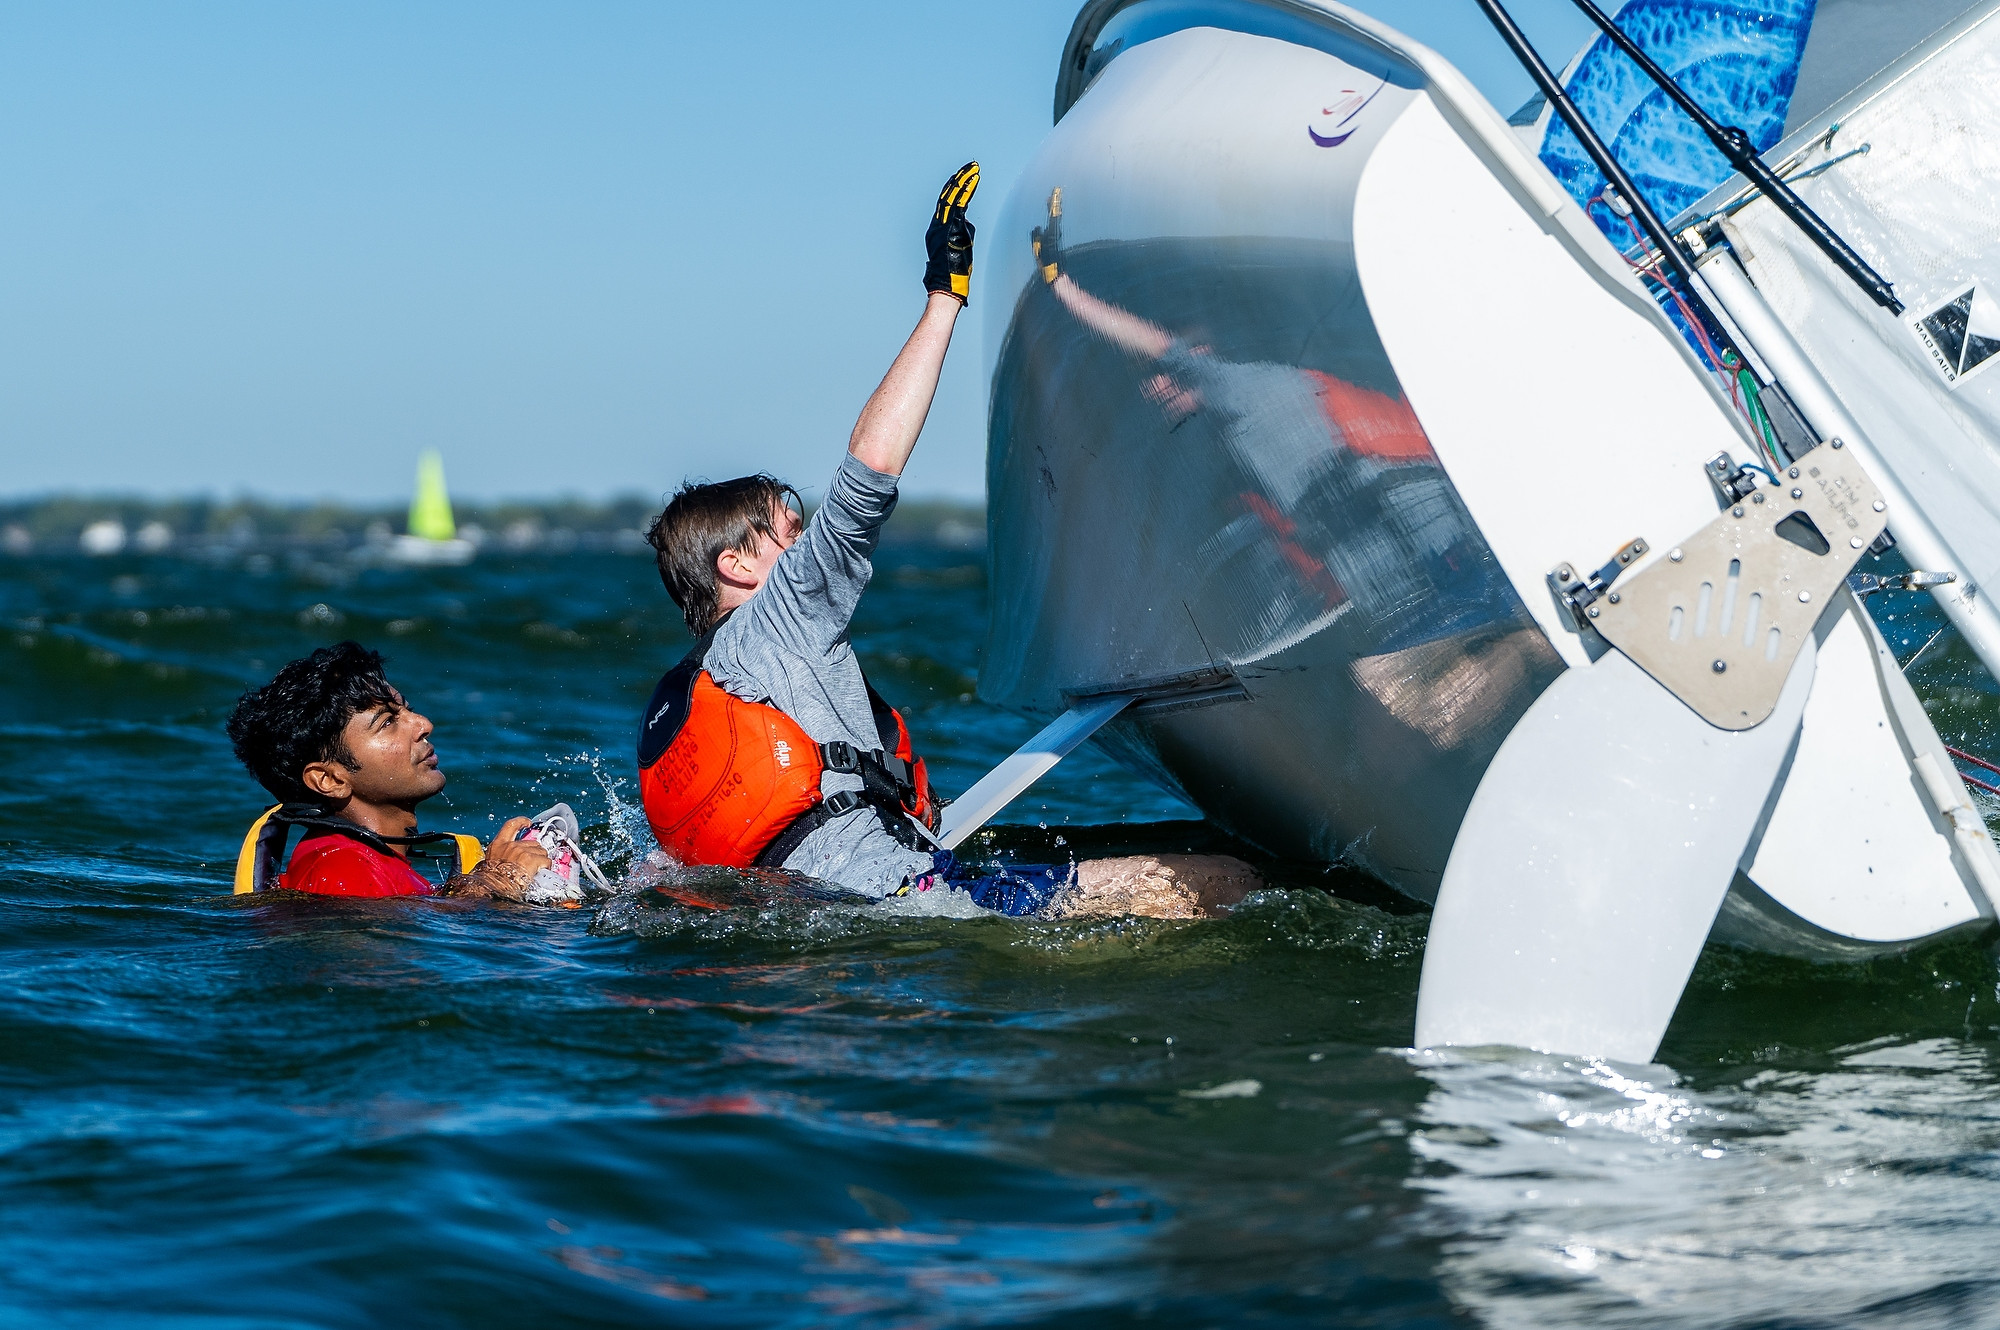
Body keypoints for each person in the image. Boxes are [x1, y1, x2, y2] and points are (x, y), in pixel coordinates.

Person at [638, 163, 1261, 919]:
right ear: (734, 566)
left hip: (818, 906)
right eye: (788, 531)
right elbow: (868, 475)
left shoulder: (706, 689)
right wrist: (944, 296)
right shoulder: (781, 619)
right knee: (1220, 879)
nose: (804, 542)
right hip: (901, 895)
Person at [226, 640, 555, 900]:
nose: (424, 724)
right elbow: (373, 970)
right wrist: (499, 877)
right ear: (329, 779)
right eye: (387, 722)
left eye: (407, 710)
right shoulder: (341, 867)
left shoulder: (372, 864)